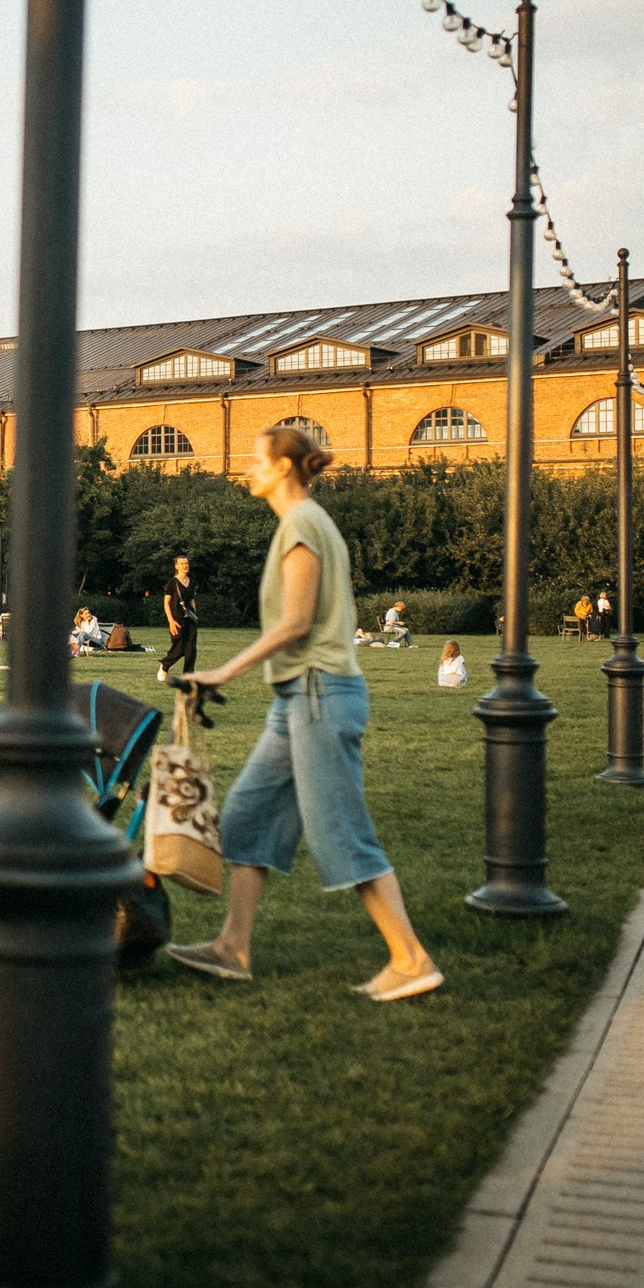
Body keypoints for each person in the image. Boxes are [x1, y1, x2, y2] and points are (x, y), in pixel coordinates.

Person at [164, 423, 441, 1003]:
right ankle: (232, 949)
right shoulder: (302, 525)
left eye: (256, 461)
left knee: (339, 831)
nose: (247, 470)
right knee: (248, 817)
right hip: (298, 698)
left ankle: (411, 958)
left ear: (284, 468)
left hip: (320, 693)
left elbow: (296, 621)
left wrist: (219, 672)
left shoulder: (302, 524)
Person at [158, 556, 199, 683]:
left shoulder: (191, 582)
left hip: (190, 619)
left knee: (191, 649)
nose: (185, 566)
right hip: (177, 619)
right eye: (182, 564)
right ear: (176, 566)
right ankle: (165, 665)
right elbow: (166, 603)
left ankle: (188, 676)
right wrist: (171, 621)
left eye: (186, 563)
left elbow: (192, 600)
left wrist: (195, 614)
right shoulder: (172, 583)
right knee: (179, 648)